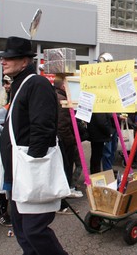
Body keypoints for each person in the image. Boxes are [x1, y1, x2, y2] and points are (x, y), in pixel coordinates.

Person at [0, 36, 68, 255]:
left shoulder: (36, 83)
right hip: (17, 171)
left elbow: (44, 128)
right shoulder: (19, 84)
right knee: (20, 228)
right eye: (3, 58)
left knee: (34, 229)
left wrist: (32, 163)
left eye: (9, 58)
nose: (3, 62)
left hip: (29, 170)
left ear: (25, 61)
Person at [53, 78, 83, 215]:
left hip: (61, 139)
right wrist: (71, 140)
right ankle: (61, 201)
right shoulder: (62, 101)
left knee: (65, 168)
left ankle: (67, 191)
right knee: (66, 168)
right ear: (64, 87)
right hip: (65, 141)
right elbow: (63, 124)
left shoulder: (56, 96)